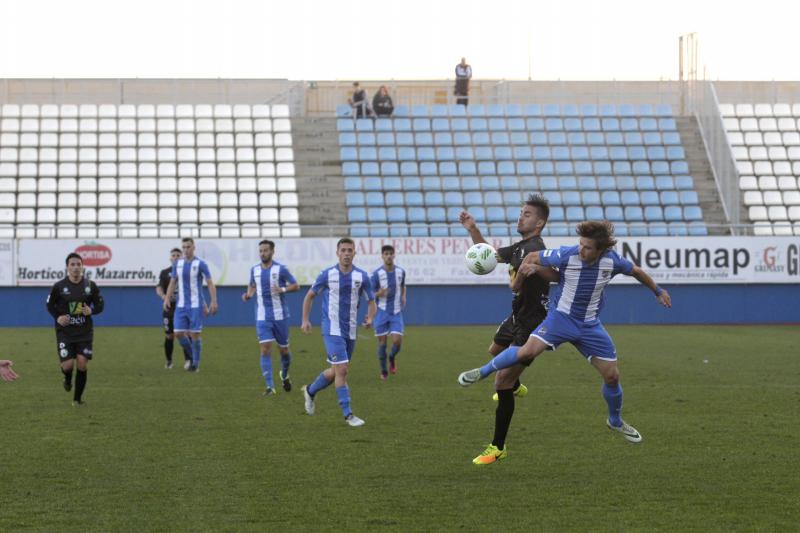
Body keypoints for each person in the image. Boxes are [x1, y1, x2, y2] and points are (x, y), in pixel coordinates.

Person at [458, 221, 672, 464]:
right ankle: (482, 372)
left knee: (612, 376)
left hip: (590, 325)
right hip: (560, 319)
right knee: (527, 350)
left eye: (588, 247)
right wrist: (527, 273)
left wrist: (658, 291)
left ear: (601, 250)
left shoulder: (612, 261)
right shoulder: (567, 254)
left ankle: (615, 421)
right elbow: (533, 256)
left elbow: (636, 271)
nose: (581, 250)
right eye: (581, 244)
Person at [459, 194, 557, 465]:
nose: (520, 216)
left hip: (532, 322)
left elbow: (545, 277)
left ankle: (497, 446)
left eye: (526, 214)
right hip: (517, 315)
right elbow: (487, 255)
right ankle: (515, 384)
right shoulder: (521, 246)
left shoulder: (537, 248)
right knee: (494, 350)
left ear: (539, 223)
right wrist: (473, 230)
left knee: (500, 381)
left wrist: (528, 275)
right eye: (521, 212)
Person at [300, 238, 377, 427]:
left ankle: (310, 391)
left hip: (350, 330)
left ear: (354, 253)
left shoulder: (362, 276)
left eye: (350, 250)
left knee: (335, 372)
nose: (347, 253)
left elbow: (371, 301)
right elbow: (309, 296)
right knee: (342, 369)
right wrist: (305, 320)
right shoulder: (327, 274)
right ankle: (348, 414)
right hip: (331, 328)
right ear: (337, 253)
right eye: (343, 250)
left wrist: (370, 317)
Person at [241, 239, 300, 395]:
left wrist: (282, 289)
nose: (263, 253)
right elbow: (252, 285)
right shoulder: (254, 270)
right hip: (262, 316)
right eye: (261, 251)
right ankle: (270, 387)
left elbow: (296, 285)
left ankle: (285, 374)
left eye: (266, 250)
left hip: (280, 315)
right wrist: (248, 295)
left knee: (284, 351)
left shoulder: (280, 269)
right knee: (265, 350)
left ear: (272, 252)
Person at [46, 252, 105, 405]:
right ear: (67, 268)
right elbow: (49, 305)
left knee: (82, 364)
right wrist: (58, 317)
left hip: (84, 332)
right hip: (65, 332)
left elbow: (100, 305)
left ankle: (77, 400)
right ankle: (67, 378)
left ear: (82, 267)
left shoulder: (90, 286)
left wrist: (92, 311)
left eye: (78, 264)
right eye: (72, 264)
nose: (76, 267)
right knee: (67, 366)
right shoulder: (59, 287)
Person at [163, 238, 218, 372]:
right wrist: (167, 298)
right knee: (178, 333)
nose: (186, 249)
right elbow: (173, 282)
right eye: (184, 247)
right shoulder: (178, 264)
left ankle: (196, 364)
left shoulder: (201, 264)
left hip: (195, 305)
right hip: (181, 305)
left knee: (194, 335)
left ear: (194, 248)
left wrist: (213, 301)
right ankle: (193, 355)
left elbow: (210, 283)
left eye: (188, 247)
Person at [370, 244, 406, 379]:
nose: (389, 256)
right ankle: (384, 370)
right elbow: (370, 294)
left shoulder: (401, 272)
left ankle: (392, 357)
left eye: (391, 253)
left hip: (396, 312)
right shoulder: (376, 274)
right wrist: (379, 293)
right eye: (386, 254)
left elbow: (403, 285)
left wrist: (403, 295)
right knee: (382, 343)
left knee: (397, 341)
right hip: (381, 312)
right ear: (382, 256)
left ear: (394, 255)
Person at [156, 247, 192, 370]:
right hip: (170, 309)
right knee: (169, 336)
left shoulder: (187, 271)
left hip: (183, 307)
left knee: (185, 333)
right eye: (173, 255)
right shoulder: (165, 272)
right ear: (170, 258)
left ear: (181, 257)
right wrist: (163, 296)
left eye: (178, 255)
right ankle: (169, 360)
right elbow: (159, 287)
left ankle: (188, 360)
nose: (176, 257)